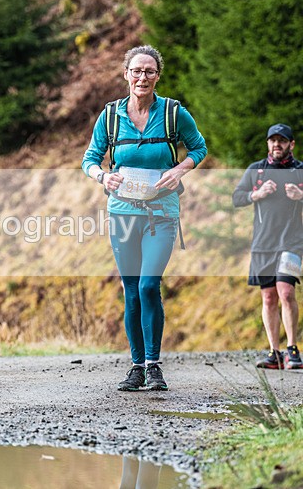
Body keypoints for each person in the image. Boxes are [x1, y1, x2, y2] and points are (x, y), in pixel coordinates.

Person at [82, 45, 207, 392]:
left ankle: (154, 366)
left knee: (150, 285)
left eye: (149, 71)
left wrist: (180, 169)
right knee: (132, 291)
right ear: (126, 74)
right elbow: (90, 158)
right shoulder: (110, 116)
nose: (142, 77)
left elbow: (199, 148)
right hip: (122, 213)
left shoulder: (173, 113)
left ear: (157, 76)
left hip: (162, 213)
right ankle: (136, 367)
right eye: (136, 71)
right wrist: (103, 177)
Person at [232, 123, 303, 370]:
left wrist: (301, 195)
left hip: (292, 243)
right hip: (263, 244)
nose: (277, 145)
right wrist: (257, 194)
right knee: (269, 296)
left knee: (286, 291)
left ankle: (292, 350)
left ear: (291, 145)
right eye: (273, 140)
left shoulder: (300, 170)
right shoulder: (256, 170)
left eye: (282, 141)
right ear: (267, 144)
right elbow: (237, 198)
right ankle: (274, 352)